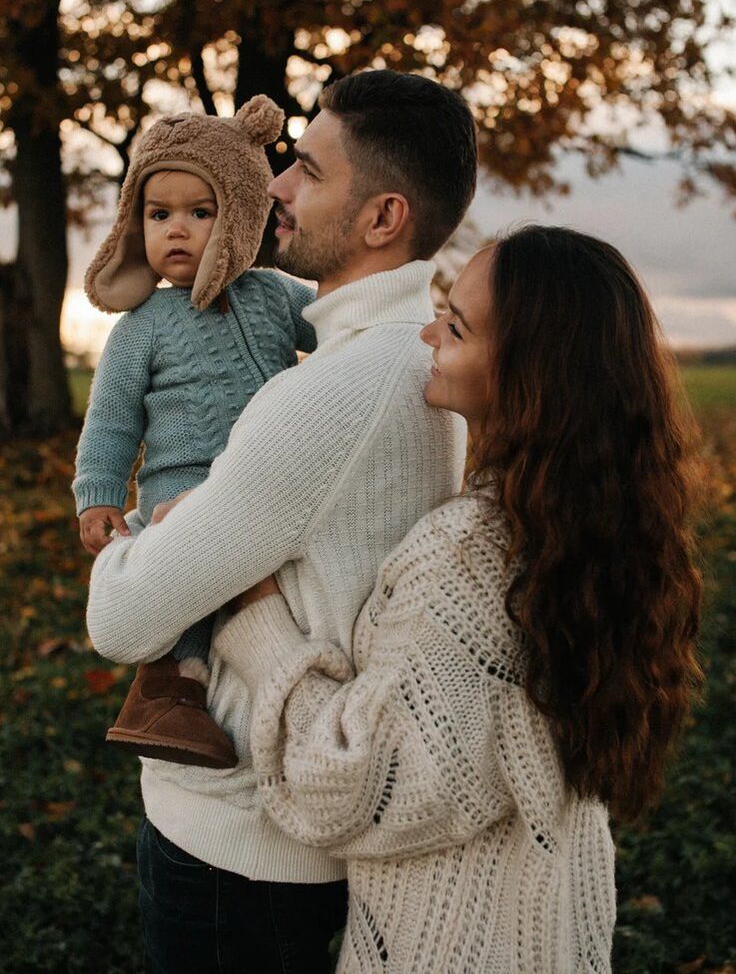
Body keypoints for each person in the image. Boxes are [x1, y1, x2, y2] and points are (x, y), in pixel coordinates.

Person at [212, 226, 704, 973]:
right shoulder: (596, 531)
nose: (428, 332)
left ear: (529, 376)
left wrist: (255, 618)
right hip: (552, 936)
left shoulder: (471, 553)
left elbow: (354, 789)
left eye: (459, 326)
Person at [85, 69, 476, 972]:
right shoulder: (411, 349)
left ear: (382, 217)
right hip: (301, 817)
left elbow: (120, 623)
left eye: (305, 168)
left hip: (236, 847)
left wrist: (135, 540)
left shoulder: (328, 395)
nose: (275, 188)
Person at [73, 95, 317, 770]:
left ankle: (257, 697)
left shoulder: (272, 294)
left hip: (264, 477)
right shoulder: (140, 327)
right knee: (189, 584)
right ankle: (172, 692)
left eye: (200, 212)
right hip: (178, 482)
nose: (176, 230)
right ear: (135, 222)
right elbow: (112, 421)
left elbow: (336, 324)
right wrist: (96, 492)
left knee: (259, 583)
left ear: (239, 214)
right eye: (159, 215)